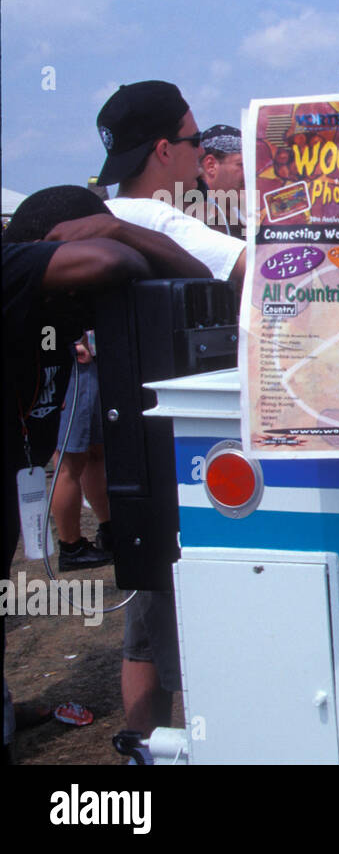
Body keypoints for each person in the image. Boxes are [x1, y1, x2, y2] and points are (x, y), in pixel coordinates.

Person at [2, 185, 211, 762]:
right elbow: (110, 262)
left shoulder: (58, 297)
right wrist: (110, 238)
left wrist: (119, 228)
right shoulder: (10, 266)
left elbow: (197, 279)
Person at [94, 81, 246, 292]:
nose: (201, 151)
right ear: (164, 151)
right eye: (195, 139)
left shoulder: (107, 213)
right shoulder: (158, 219)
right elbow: (262, 265)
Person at [50, 332, 112, 570]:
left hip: (93, 356)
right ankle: (70, 547)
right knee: (68, 460)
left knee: (95, 452)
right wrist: (72, 343)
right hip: (73, 363)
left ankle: (109, 529)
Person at [199, 124, 245, 237]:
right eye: (242, 165)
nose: (251, 175)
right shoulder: (194, 225)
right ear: (211, 166)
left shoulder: (243, 227)